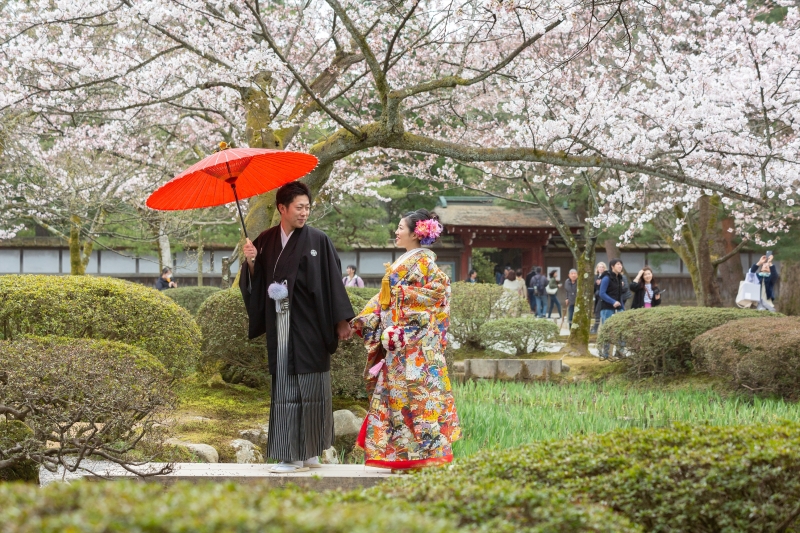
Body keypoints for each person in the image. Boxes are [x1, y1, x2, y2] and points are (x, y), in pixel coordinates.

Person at [240, 181, 355, 474]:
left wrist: (341, 320)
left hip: (312, 324)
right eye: (299, 207)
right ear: (282, 208)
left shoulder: (319, 240)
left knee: (314, 385)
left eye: (307, 207)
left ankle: (311, 452)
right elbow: (259, 281)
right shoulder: (265, 240)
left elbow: (332, 281)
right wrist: (252, 263)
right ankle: (291, 456)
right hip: (282, 323)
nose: (304, 213)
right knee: (286, 386)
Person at [351, 209, 461, 471]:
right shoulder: (407, 261)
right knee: (399, 401)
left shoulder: (425, 263)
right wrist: (362, 319)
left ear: (416, 233)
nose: (397, 232)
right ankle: (404, 457)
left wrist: (401, 320)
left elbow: (438, 295)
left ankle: (422, 457)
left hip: (415, 348)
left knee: (419, 401)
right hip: (399, 347)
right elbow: (383, 299)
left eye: (401, 227)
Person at [598, 258, 627, 359]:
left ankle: (620, 352)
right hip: (607, 308)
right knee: (608, 331)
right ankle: (606, 354)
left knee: (622, 330)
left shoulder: (619, 277)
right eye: (618, 264)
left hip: (619, 308)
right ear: (612, 266)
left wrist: (623, 308)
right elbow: (602, 293)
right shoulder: (606, 277)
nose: (620, 266)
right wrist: (612, 302)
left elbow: (620, 295)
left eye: (621, 264)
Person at [590, 262, 607, 334]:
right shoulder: (595, 277)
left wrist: (601, 283)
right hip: (597, 297)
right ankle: (595, 328)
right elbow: (593, 288)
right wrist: (596, 283)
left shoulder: (606, 276)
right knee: (597, 312)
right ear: (597, 268)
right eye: (599, 267)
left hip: (603, 297)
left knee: (599, 311)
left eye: (602, 267)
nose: (601, 268)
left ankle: (596, 328)